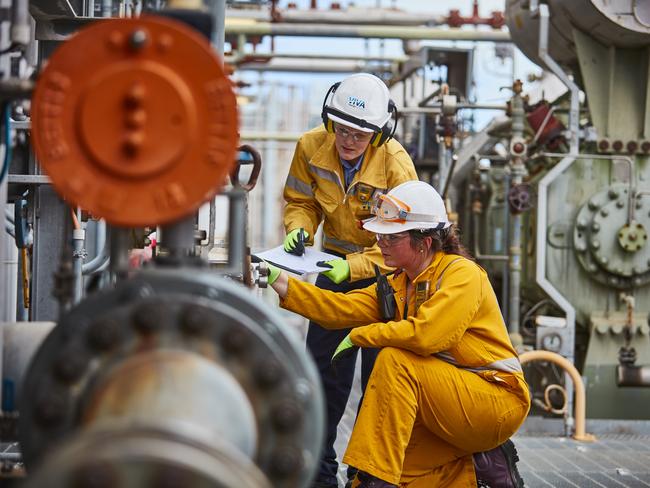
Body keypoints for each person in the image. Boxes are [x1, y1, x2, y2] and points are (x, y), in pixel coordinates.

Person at [269, 180, 530, 487]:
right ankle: (482, 465)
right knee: (404, 473)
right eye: (380, 234)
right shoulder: (401, 283)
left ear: (425, 241)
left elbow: (428, 335)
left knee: (394, 360)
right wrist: (275, 278)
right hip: (448, 398)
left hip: (496, 399)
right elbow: (338, 307)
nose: (380, 243)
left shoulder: (462, 275)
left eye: (391, 238)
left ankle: (374, 479)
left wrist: (361, 336)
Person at [282, 73, 418, 487]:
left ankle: (366, 474)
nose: (347, 140)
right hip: (331, 270)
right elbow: (301, 201)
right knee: (325, 375)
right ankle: (320, 475)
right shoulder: (310, 147)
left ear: (378, 134)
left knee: (380, 380)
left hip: (386, 279)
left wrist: (355, 268)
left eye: (359, 133)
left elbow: (405, 239)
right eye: (341, 128)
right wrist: (298, 226)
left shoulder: (397, 166)